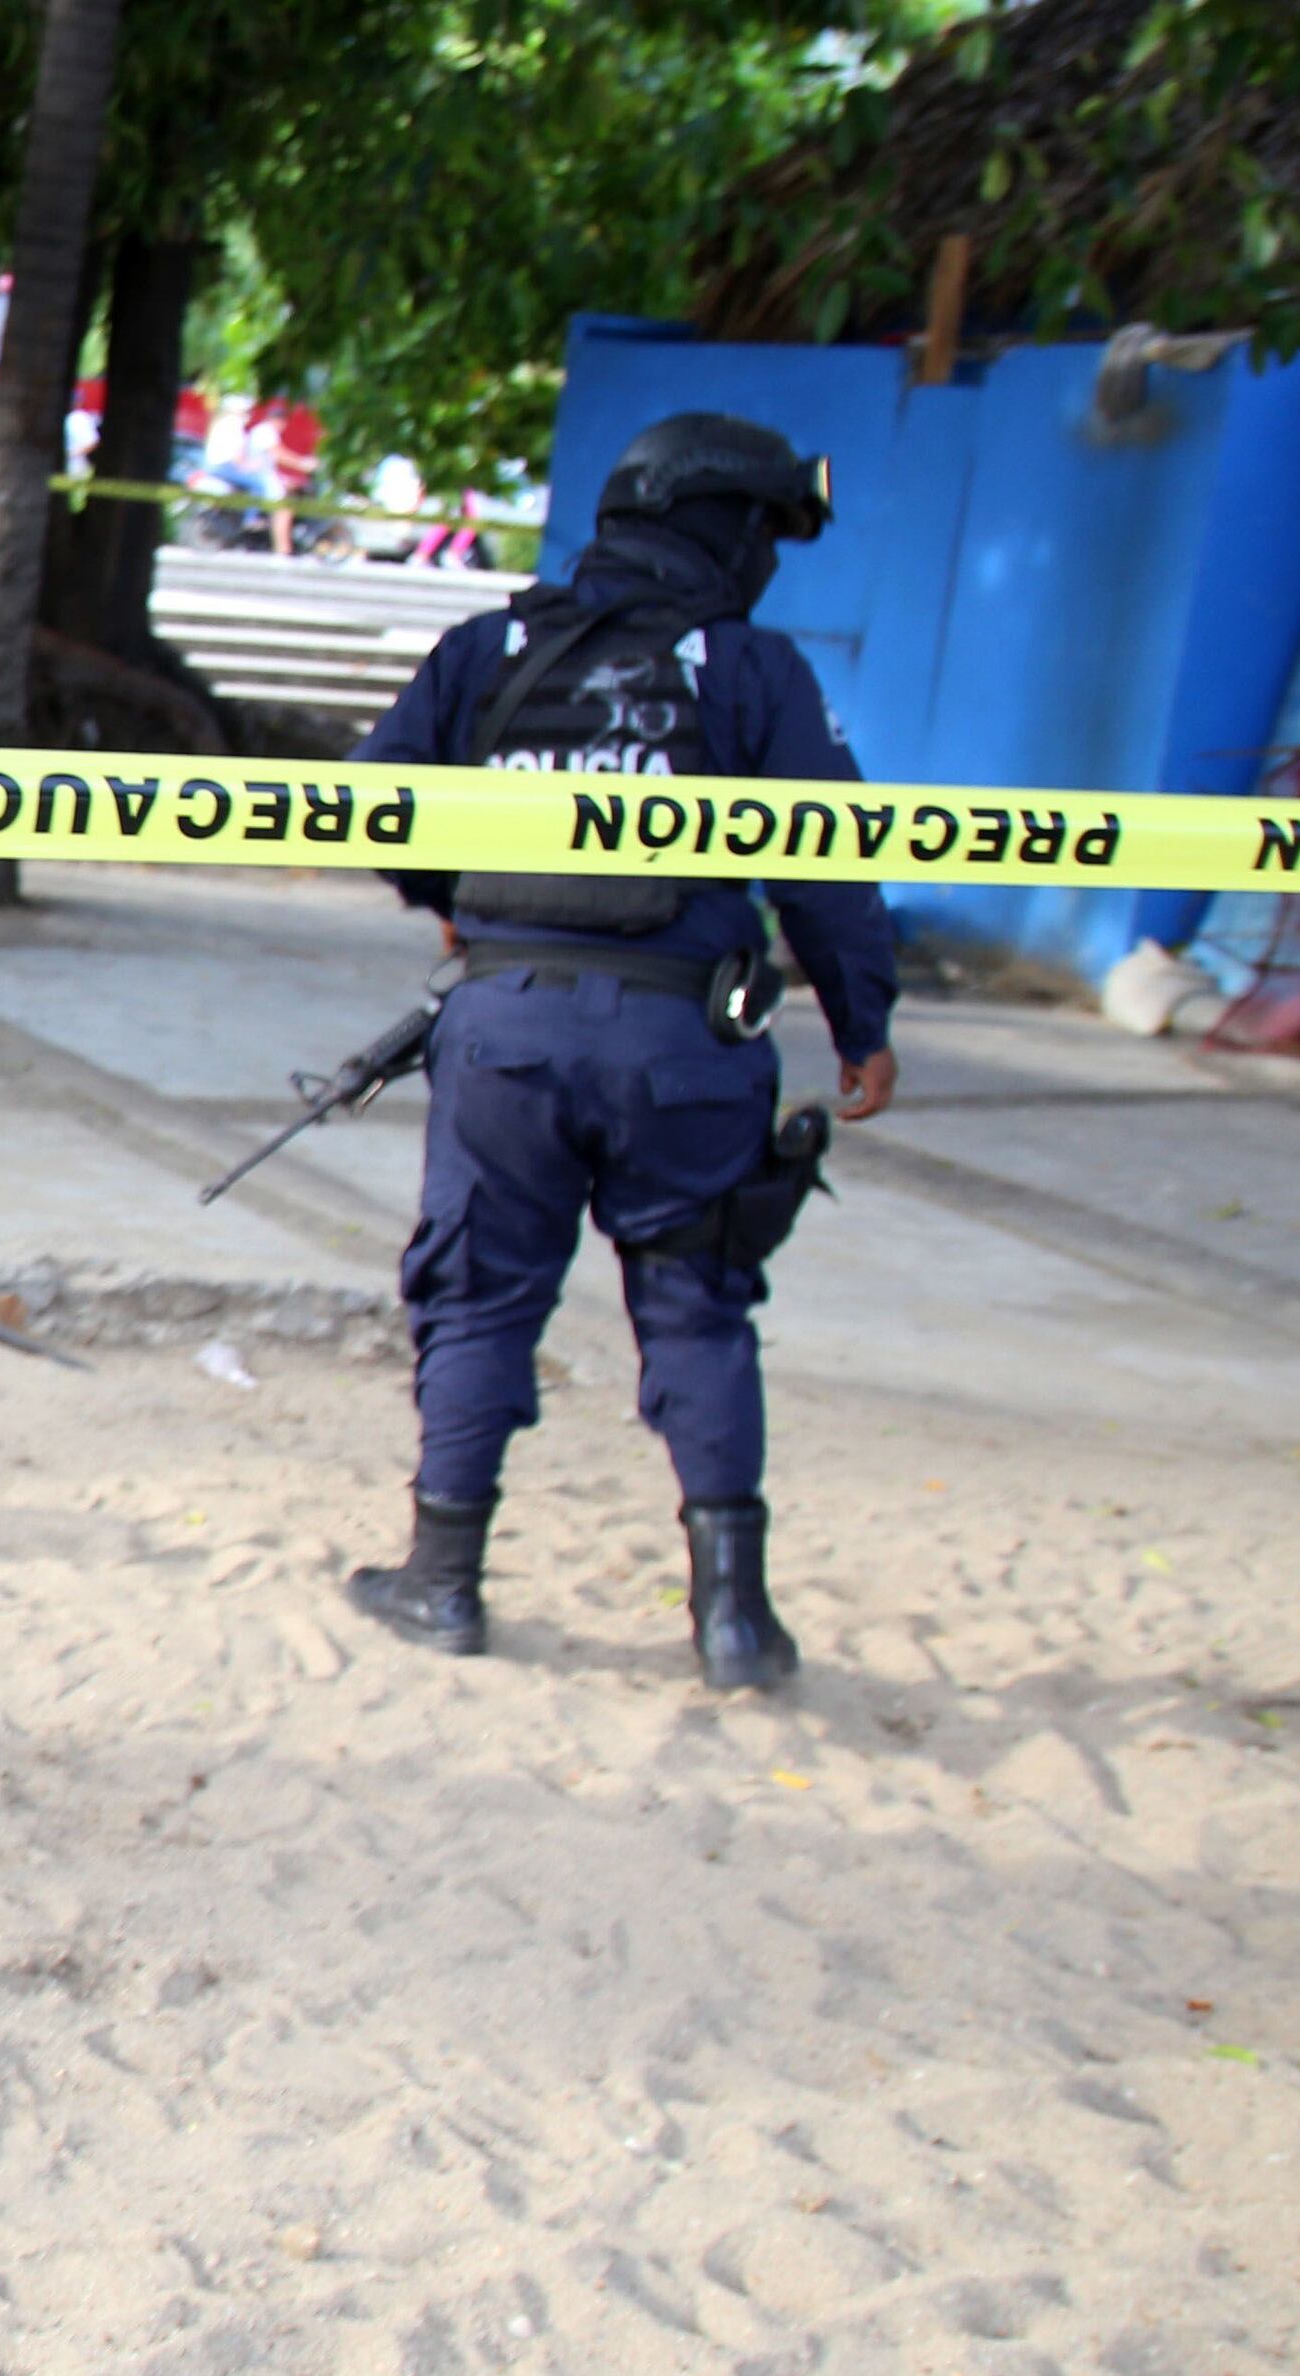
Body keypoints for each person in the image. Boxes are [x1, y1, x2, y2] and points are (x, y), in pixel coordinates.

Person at [336, 410, 903, 1691]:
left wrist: (457, 897)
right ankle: (733, 1620)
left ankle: (440, 1579)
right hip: (687, 1042)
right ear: (722, 532)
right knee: (699, 1309)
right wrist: (863, 1023)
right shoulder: (752, 671)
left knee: (479, 1299)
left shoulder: (489, 647)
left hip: (504, 1035)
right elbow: (829, 866)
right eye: (763, 533)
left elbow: (372, 797)